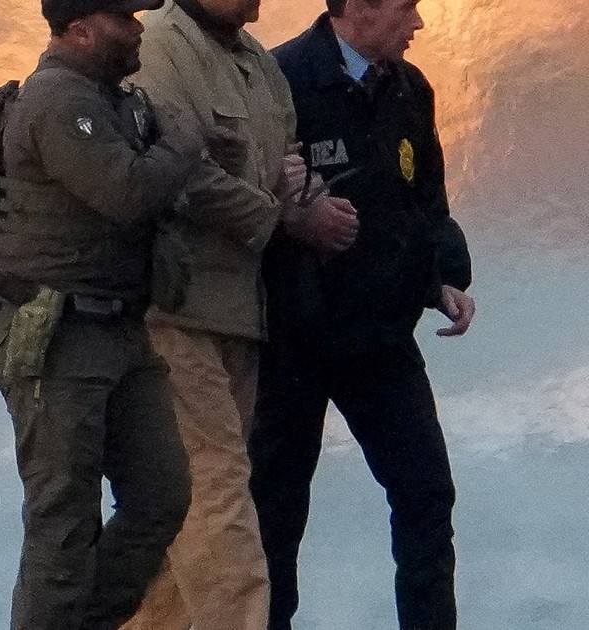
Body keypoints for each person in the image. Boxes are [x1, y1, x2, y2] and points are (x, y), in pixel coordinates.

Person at [0, 0, 228, 626]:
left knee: (161, 496)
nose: (137, 30)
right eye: (122, 19)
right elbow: (126, 191)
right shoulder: (58, 99)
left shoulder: (115, 100)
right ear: (79, 30)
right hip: (57, 331)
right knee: (63, 520)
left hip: (119, 325)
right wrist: (185, 143)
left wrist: (174, 149)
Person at [120, 0, 361, 628]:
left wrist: (301, 195)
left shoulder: (258, 63)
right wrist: (280, 212)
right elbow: (178, 176)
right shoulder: (158, 48)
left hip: (241, 315)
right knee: (217, 494)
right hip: (174, 313)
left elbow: (289, 163)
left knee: (191, 508)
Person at [249, 2, 475, 629]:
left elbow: (426, 199)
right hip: (292, 340)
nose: (418, 23)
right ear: (357, 6)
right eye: (407, 7)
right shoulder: (280, 80)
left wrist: (443, 278)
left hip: (380, 337)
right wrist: (298, 222)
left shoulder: (409, 87)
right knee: (274, 513)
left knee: (427, 493)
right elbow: (236, 202)